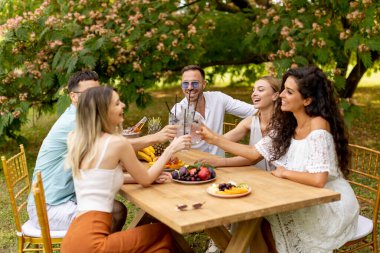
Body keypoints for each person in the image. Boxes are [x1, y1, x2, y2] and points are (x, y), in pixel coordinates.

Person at [199, 66, 359, 252]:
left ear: (307, 100)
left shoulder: (318, 127)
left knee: (258, 219)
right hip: (297, 193)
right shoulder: (287, 122)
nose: (281, 94)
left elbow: (318, 179)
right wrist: (215, 143)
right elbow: (255, 152)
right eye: (283, 89)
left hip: (327, 204)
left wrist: (284, 172)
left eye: (289, 92)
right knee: (251, 216)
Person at [27, 70, 178, 232]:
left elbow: (102, 169)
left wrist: (141, 176)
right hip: (49, 208)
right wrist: (156, 139)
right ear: (73, 97)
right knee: (114, 218)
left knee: (118, 210)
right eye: (89, 93)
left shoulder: (86, 118)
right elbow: (116, 146)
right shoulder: (75, 122)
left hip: (68, 198)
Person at [61, 86, 191, 252]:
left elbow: (99, 178)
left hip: (73, 239)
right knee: (163, 232)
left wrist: (139, 177)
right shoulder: (117, 143)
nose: (122, 105)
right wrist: (171, 149)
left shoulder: (76, 139)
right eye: (116, 103)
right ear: (103, 111)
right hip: (91, 244)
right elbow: (146, 180)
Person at [170, 65, 256, 157]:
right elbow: (177, 148)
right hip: (193, 167)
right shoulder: (178, 111)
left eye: (195, 83)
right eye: (185, 84)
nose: (190, 87)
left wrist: (245, 124)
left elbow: (253, 111)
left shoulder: (218, 98)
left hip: (220, 164)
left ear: (204, 84)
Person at [197, 76, 280, 171]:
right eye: (253, 90)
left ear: (275, 96)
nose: (254, 94)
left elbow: (254, 156)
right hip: (257, 177)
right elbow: (224, 140)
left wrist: (219, 160)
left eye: (260, 90)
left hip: (281, 181)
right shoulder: (250, 121)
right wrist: (202, 131)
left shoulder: (283, 125)